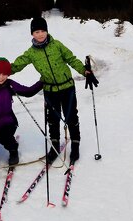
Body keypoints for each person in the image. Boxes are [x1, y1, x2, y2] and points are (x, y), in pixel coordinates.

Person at [10, 17, 98, 165]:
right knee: (52, 121)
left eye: (43, 31)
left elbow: (71, 59)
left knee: (71, 118)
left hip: (67, 88)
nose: (40, 34)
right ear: (32, 34)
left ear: (47, 31)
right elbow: (17, 65)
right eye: (36, 31)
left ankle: (75, 145)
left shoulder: (57, 45)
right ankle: (55, 147)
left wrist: (85, 71)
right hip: (50, 91)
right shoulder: (31, 53)